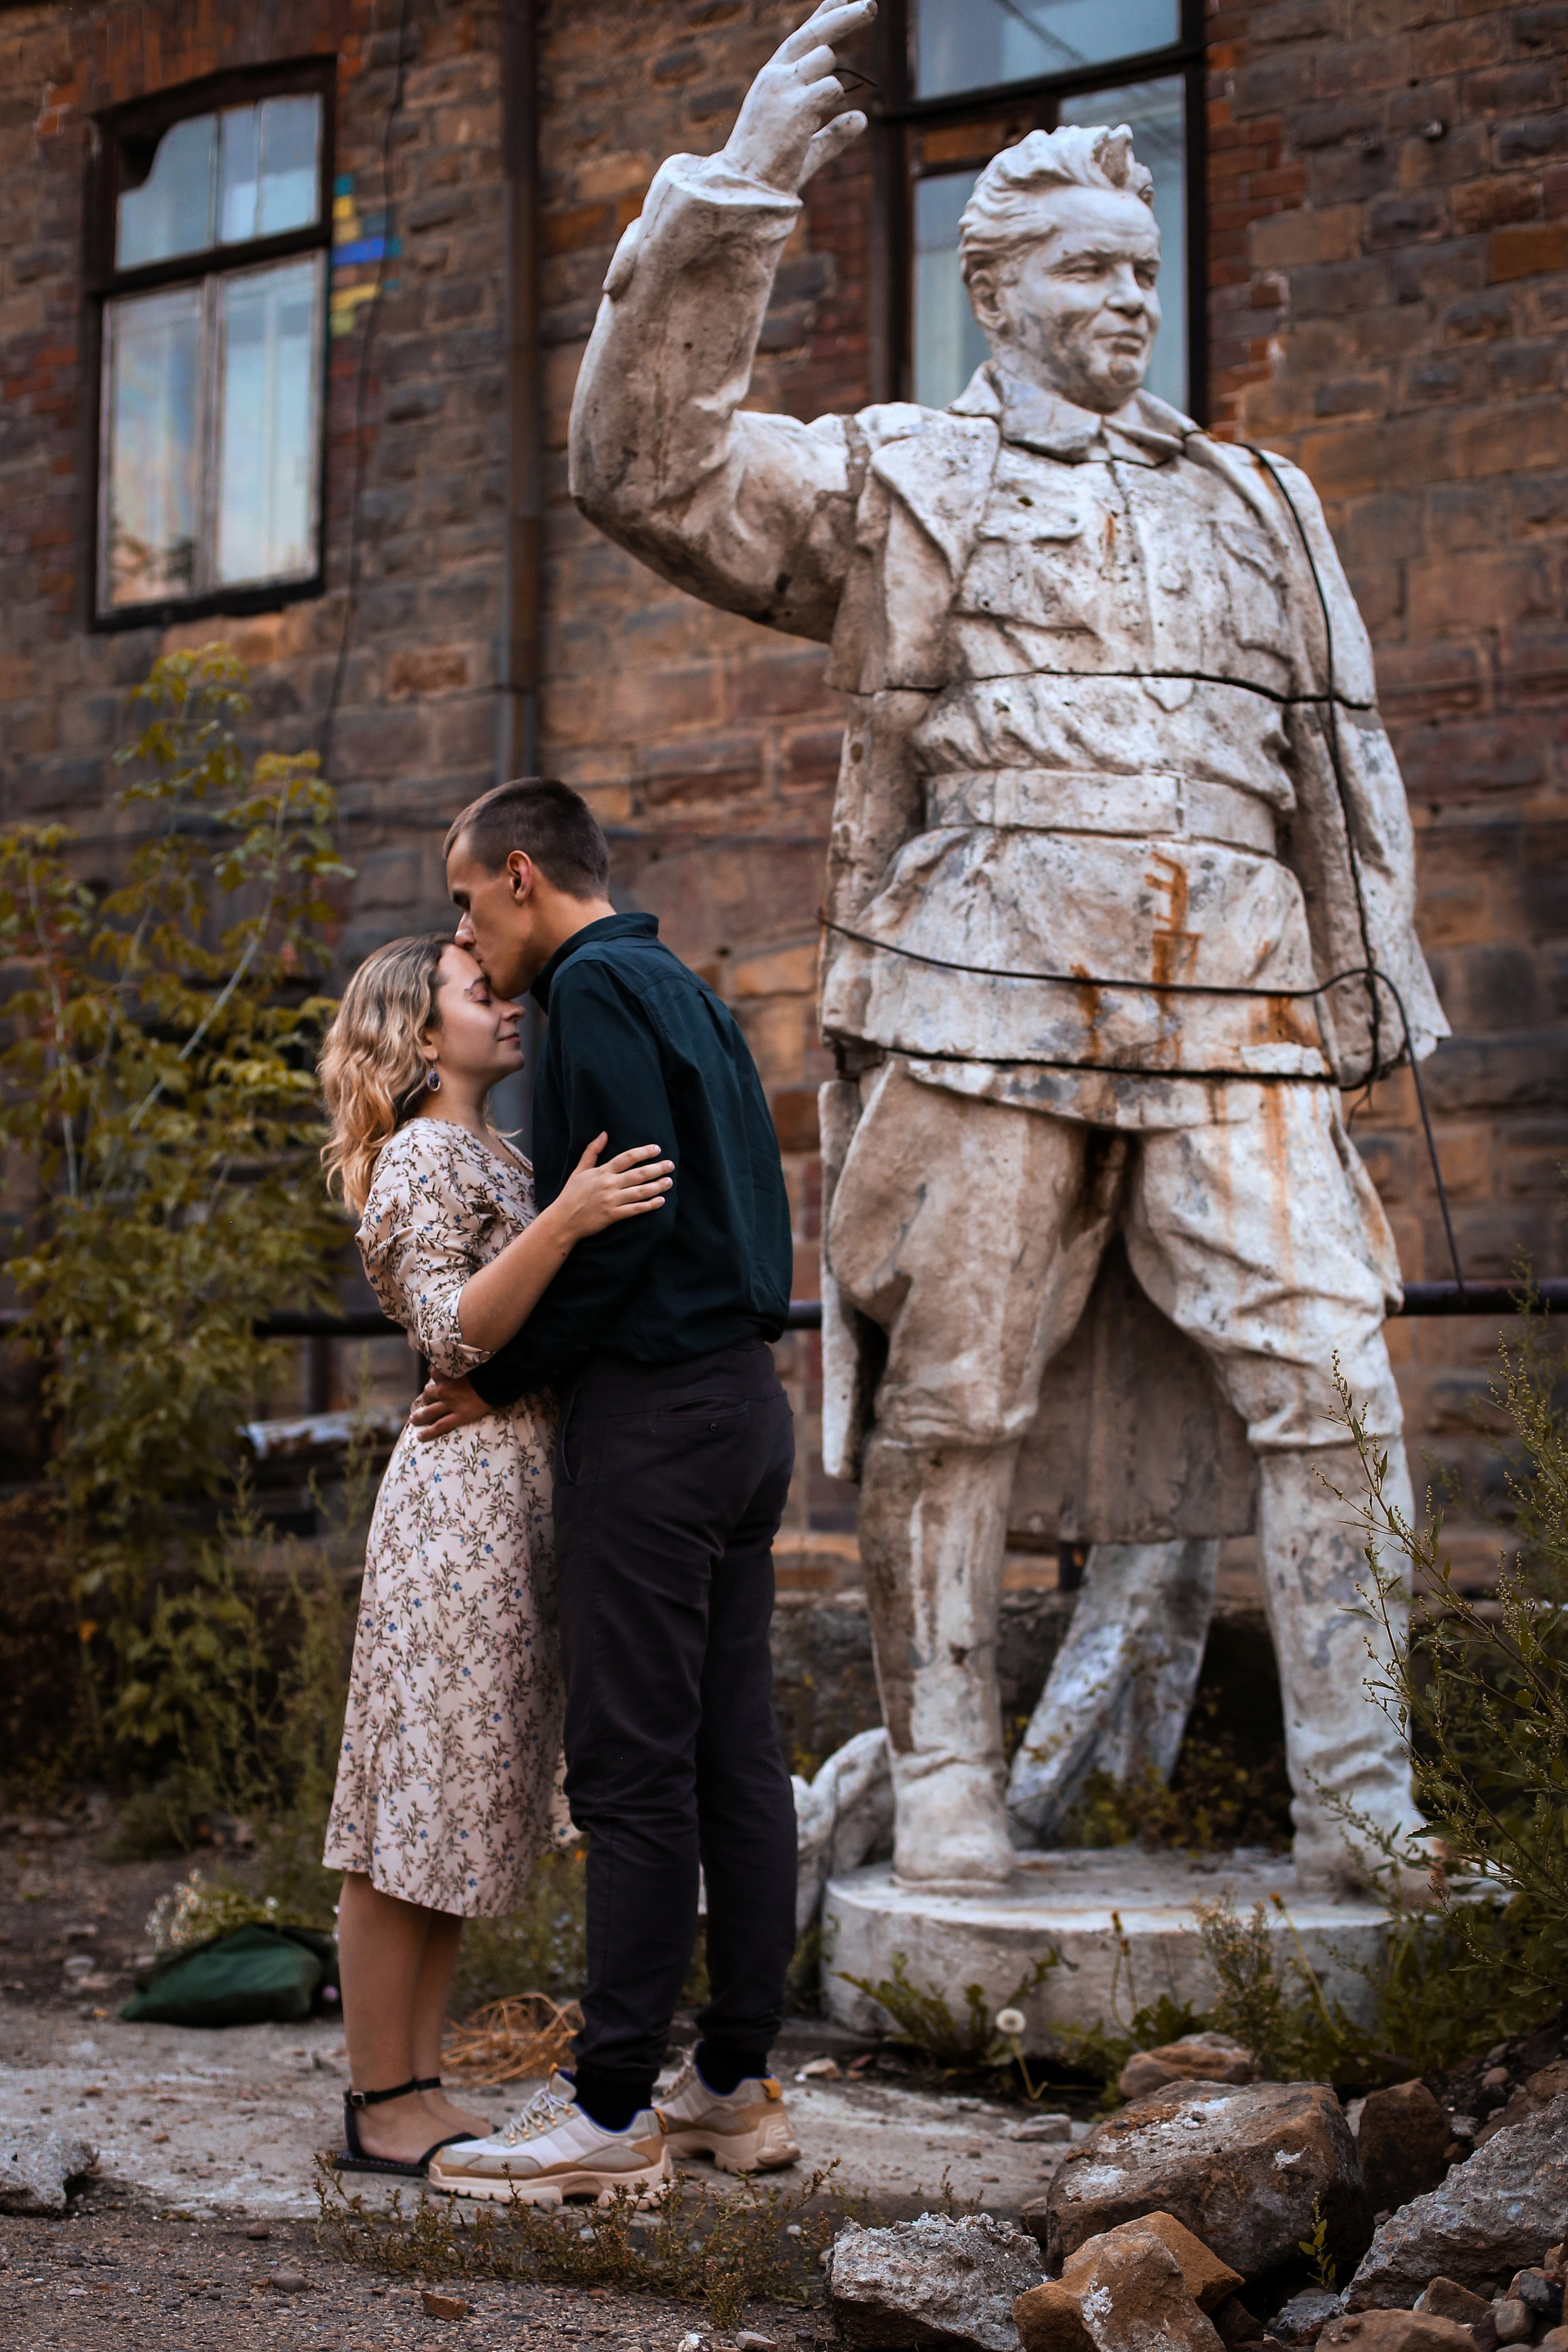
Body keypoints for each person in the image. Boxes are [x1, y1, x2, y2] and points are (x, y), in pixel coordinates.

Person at [563, 0, 1449, 1893]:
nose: (1133, 299)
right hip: (984, 985)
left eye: (1144, 269)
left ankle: (1365, 1806)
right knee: (957, 1389)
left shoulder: (1255, 496)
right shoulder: (902, 477)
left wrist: (1377, 984)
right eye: (1088, 270)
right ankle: (950, 1770)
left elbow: (1332, 753)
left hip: (1242, 990)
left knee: (1337, 1374)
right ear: (1001, 289)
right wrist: (739, 192)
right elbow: (645, 473)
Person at [407, 778, 804, 2204]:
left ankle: (606, 2106)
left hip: (654, 1420)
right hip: (745, 1406)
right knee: (730, 1760)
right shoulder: (682, 988)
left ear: (521, 875)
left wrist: (500, 1382)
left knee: (633, 1772)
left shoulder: (593, 995)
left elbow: (615, 1233)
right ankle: (732, 2086)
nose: (463, 928)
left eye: (464, 899)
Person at [317, 930, 671, 2179]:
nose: (505, 1005)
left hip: (511, 1496)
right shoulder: (420, 1152)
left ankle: (415, 2082)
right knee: (406, 1809)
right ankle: (382, 2097)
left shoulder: (495, 1151)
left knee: (456, 1808)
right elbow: (452, 1331)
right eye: (478, 995)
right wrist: (569, 1219)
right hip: (456, 1508)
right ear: (422, 1038)